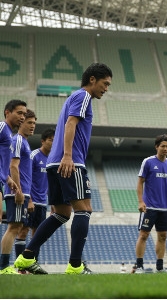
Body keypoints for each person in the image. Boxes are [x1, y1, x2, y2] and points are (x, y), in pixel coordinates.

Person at [14, 62, 113, 275]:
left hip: (54, 163)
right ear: (92, 79)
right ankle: (75, 265)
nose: (106, 89)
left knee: (61, 213)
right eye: (105, 84)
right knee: (84, 209)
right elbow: (71, 124)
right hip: (70, 162)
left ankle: (27, 256)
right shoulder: (83, 96)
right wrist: (68, 155)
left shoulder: (75, 97)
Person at [133, 134, 167, 274]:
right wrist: (141, 201)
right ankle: (139, 266)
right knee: (144, 235)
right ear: (156, 147)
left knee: (163, 236)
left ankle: (159, 268)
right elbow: (140, 182)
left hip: (163, 208)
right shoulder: (148, 162)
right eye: (163, 146)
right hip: (149, 207)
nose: (165, 148)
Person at [0, 109, 35, 274]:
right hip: (17, 191)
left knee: (18, 226)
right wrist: (19, 191)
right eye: (29, 122)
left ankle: (6, 266)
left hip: (22, 190)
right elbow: (13, 166)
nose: (32, 126)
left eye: (34, 123)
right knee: (14, 227)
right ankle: (3, 266)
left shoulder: (25, 142)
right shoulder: (18, 140)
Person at [16, 129, 54, 263]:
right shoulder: (34, 156)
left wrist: (53, 204)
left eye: (55, 140)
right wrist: (30, 200)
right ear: (43, 141)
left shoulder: (52, 159)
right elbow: (25, 178)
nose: (53, 143)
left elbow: (51, 183)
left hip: (43, 202)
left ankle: (33, 264)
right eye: (50, 140)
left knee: (38, 234)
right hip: (31, 201)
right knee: (23, 231)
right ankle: (21, 267)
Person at [0, 99, 27, 252]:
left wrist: (8, 179)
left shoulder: (9, 135)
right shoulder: (2, 127)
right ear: (7, 112)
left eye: (24, 114)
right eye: (19, 113)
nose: (22, 117)